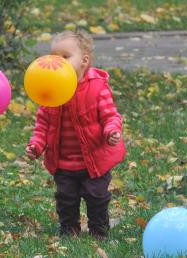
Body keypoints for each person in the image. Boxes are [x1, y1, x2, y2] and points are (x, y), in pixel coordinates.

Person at [26, 30, 126, 240]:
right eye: (54, 57)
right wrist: (37, 144)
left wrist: (111, 130)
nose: (58, 62)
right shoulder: (51, 89)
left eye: (65, 57)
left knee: (97, 196)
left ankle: (99, 231)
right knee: (66, 198)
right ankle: (69, 231)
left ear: (84, 61)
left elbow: (110, 115)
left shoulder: (97, 88)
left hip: (95, 161)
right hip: (63, 162)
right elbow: (43, 123)